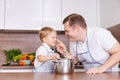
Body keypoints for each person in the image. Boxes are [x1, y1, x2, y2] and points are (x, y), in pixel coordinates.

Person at [56, 13, 120, 74]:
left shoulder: (99, 34)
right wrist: (65, 52)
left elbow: (118, 52)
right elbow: (75, 60)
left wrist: (101, 69)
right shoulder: (73, 41)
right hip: (89, 75)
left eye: (67, 31)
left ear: (78, 29)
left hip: (110, 74)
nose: (65, 34)